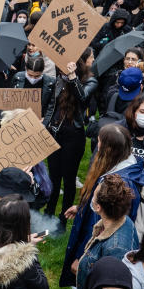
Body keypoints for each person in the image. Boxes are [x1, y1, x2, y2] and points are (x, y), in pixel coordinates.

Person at [61, 124, 144, 287]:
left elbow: (106, 224)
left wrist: (82, 256)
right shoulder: (120, 170)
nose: (97, 144)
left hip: (96, 252)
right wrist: (83, 208)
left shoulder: (119, 183)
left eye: (99, 141)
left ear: (109, 149)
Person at [43, 49, 97, 219]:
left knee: (69, 177)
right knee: (54, 175)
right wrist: (45, 126)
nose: (59, 68)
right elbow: (53, 106)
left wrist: (73, 78)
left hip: (73, 136)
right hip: (55, 133)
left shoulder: (91, 80)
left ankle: (63, 216)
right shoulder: (60, 79)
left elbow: (82, 98)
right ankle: (49, 212)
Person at [76, 174, 139, 289]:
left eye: (93, 197)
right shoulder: (123, 220)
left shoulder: (116, 249)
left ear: (98, 207)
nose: (92, 199)